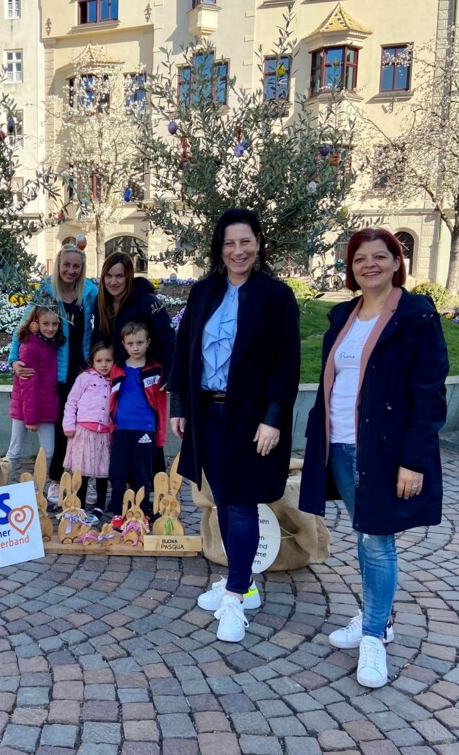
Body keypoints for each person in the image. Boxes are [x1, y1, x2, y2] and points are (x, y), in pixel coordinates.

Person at [299, 227, 449, 689]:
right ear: (351, 267)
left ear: (395, 262)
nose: (370, 265)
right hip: (341, 445)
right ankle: (375, 619)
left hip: (384, 451)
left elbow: (429, 394)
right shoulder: (344, 316)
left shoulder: (416, 316)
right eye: (361, 258)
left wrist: (415, 460)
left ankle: (373, 638)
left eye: (380, 256)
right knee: (364, 534)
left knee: (377, 541)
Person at [168, 208, 300, 645]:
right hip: (208, 414)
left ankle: (235, 595)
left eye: (245, 242)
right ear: (219, 249)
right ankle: (243, 584)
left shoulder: (276, 296)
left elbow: (287, 363)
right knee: (224, 500)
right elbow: (185, 350)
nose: (238, 251)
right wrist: (181, 404)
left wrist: (273, 419)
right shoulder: (204, 292)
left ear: (259, 244)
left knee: (241, 504)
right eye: (229, 243)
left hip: (251, 418)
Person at [10, 245, 98, 504]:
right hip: (56, 372)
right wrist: (14, 359)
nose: (70, 270)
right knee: (60, 431)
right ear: (59, 265)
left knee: (82, 428)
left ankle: (83, 481)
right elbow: (25, 325)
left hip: (81, 370)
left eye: (76, 266)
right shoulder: (48, 291)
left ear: (82, 269)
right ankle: (56, 480)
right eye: (66, 265)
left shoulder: (89, 293)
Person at [108, 321, 168, 521]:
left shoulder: (156, 370)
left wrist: (160, 436)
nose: (135, 348)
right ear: (124, 345)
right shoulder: (116, 369)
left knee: (143, 474)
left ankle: (141, 511)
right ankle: (118, 511)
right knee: (118, 473)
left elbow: (160, 404)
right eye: (131, 343)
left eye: (140, 343)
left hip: (145, 429)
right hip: (121, 429)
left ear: (148, 343)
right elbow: (111, 400)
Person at [91, 251, 176, 383]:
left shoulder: (147, 302)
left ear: (128, 277)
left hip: (144, 377)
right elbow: (99, 338)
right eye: (108, 276)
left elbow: (167, 339)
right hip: (113, 376)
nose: (113, 282)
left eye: (119, 276)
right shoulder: (101, 302)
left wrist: (169, 375)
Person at [6, 302, 65, 482]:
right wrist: (30, 419)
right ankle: (4, 486)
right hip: (26, 408)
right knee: (14, 450)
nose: (51, 328)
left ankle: (35, 490)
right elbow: (28, 386)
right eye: (46, 324)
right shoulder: (30, 346)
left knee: (48, 453)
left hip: (46, 406)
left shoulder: (49, 343)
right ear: (35, 323)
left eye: (55, 324)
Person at [62, 342, 115, 520]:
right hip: (84, 431)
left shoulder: (115, 379)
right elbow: (72, 401)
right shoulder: (84, 378)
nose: (104, 364)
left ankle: (99, 507)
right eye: (99, 360)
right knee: (82, 471)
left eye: (108, 360)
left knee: (102, 471)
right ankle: (79, 505)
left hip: (104, 434)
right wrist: (68, 424)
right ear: (92, 361)